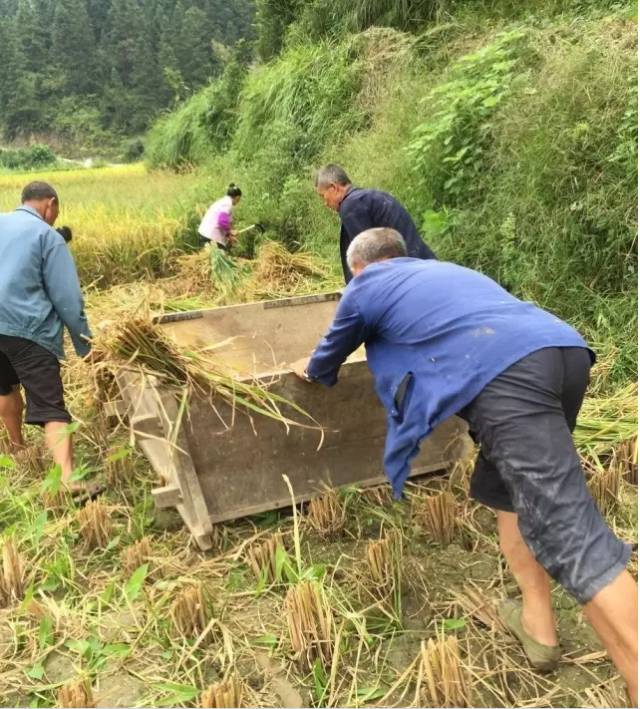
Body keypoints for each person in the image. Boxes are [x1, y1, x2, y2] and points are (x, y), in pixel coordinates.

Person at [291, 227, 637, 702]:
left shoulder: (367, 285)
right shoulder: (442, 271)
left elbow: (327, 359)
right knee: (509, 494)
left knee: (572, 538)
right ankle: (539, 629)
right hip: (563, 351)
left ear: (360, 268)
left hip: (508, 374)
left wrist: (309, 370)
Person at [0, 182, 92, 493]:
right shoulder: (46, 236)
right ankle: (69, 480)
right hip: (25, 327)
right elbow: (67, 298)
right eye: (55, 213)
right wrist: (85, 345)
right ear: (49, 204)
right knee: (51, 406)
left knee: (5, 386)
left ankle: (16, 447)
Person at [314, 164, 436, 283]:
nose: (325, 203)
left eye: (322, 195)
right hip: (423, 266)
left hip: (407, 277)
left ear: (333, 188)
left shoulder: (351, 205)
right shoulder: (369, 197)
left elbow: (367, 256)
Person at [198, 183, 242, 250]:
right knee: (218, 257)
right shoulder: (227, 204)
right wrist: (231, 231)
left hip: (205, 233)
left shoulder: (223, 201)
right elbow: (222, 221)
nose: (239, 201)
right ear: (237, 197)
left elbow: (224, 222)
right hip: (210, 236)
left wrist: (228, 235)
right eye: (239, 199)